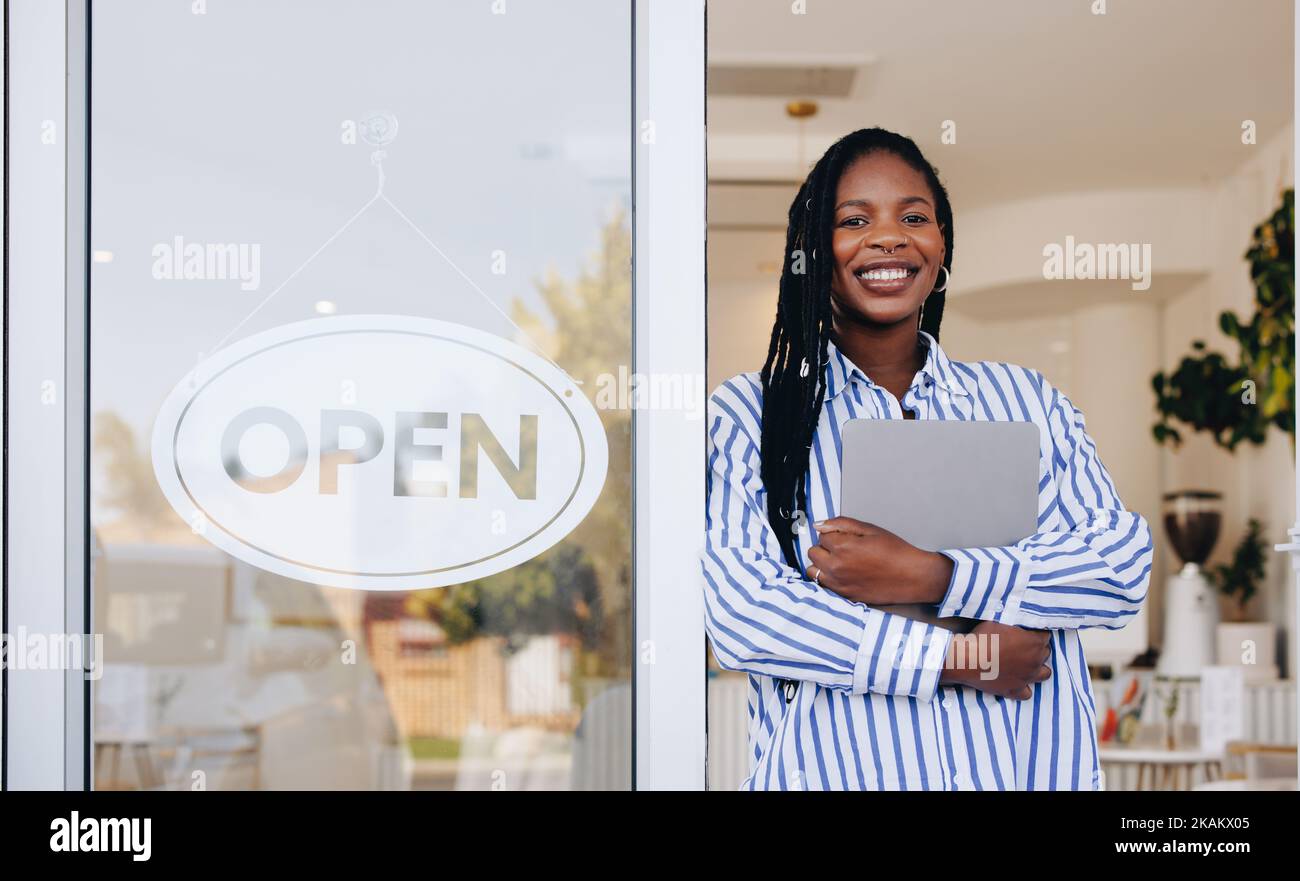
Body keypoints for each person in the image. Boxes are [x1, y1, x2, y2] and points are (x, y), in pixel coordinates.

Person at [701, 127, 1153, 791]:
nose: (888, 237)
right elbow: (748, 615)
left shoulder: (1026, 400)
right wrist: (957, 657)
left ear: (942, 246)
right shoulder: (754, 415)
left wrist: (933, 574)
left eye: (914, 216)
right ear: (815, 252)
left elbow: (1117, 566)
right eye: (854, 220)